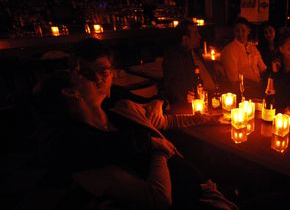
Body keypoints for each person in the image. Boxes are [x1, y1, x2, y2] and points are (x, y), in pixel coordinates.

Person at [34, 69, 237, 210]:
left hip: (204, 187)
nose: (97, 78)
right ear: (71, 92)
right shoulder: (85, 154)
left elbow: (165, 122)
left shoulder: (124, 108)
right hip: (191, 202)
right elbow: (157, 199)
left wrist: (206, 118)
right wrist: (159, 149)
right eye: (82, 76)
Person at [163, 19, 216, 104]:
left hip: (210, 96)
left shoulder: (195, 52)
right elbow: (170, 84)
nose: (199, 36)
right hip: (193, 103)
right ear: (185, 39)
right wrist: (184, 95)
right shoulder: (175, 57)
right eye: (195, 33)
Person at [221, 17, 267, 98]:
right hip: (244, 90)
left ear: (248, 31)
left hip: (259, 86)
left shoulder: (253, 48)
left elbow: (263, 68)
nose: (240, 33)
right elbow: (234, 79)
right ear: (234, 32)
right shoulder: (229, 50)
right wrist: (257, 85)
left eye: (243, 30)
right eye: (237, 31)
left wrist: (267, 81)